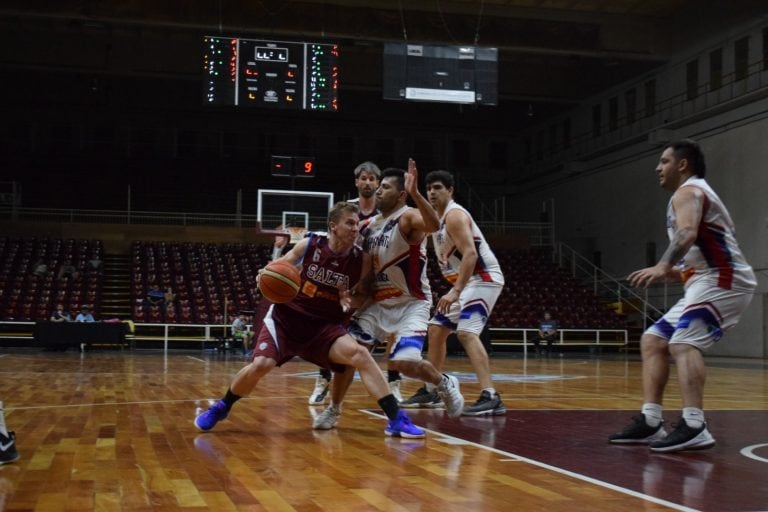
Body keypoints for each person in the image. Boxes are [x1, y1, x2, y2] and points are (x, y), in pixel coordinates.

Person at [194, 202, 425, 438]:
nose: (356, 229)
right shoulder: (311, 244)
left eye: (357, 224)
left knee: (360, 355)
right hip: (287, 320)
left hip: (324, 327)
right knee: (261, 365)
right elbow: (281, 265)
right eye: (350, 223)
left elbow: (363, 292)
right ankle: (222, 406)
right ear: (333, 226)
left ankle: (396, 419)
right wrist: (266, 274)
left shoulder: (361, 259)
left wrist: (350, 302)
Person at [608, 139, 756, 453]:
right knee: (653, 340)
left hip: (725, 279)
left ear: (682, 164)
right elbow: (698, 248)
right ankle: (651, 421)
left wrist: (663, 266)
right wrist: (676, 271)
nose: (658, 168)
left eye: (664, 161)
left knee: (683, 342)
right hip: (704, 279)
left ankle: (694, 424)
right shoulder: (691, 194)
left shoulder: (688, 191)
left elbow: (688, 233)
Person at [312, 160, 465, 430]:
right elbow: (365, 270)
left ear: (401, 194)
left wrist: (417, 193)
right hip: (377, 304)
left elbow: (433, 224)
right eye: (378, 186)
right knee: (348, 355)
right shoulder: (369, 225)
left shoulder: (408, 216)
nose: (379, 191)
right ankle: (334, 409)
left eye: (385, 187)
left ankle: (443, 383)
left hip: (410, 304)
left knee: (404, 363)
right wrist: (349, 295)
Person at [400, 170, 506, 416]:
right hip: (467, 283)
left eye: (438, 187)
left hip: (484, 278)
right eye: (429, 188)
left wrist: (455, 291)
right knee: (436, 330)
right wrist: (414, 193)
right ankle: (432, 389)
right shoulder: (434, 221)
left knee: (467, 332)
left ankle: (491, 395)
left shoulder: (455, 215)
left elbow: (470, 254)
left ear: (450, 190)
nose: (433, 192)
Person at [306, 160, 405, 404]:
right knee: (333, 324)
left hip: (379, 274)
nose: (369, 182)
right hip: (347, 273)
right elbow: (331, 240)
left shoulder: (387, 211)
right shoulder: (347, 209)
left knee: (394, 329)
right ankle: (323, 380)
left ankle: (394, 383)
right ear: (357, 182)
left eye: (373, 179)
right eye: (364, 178)